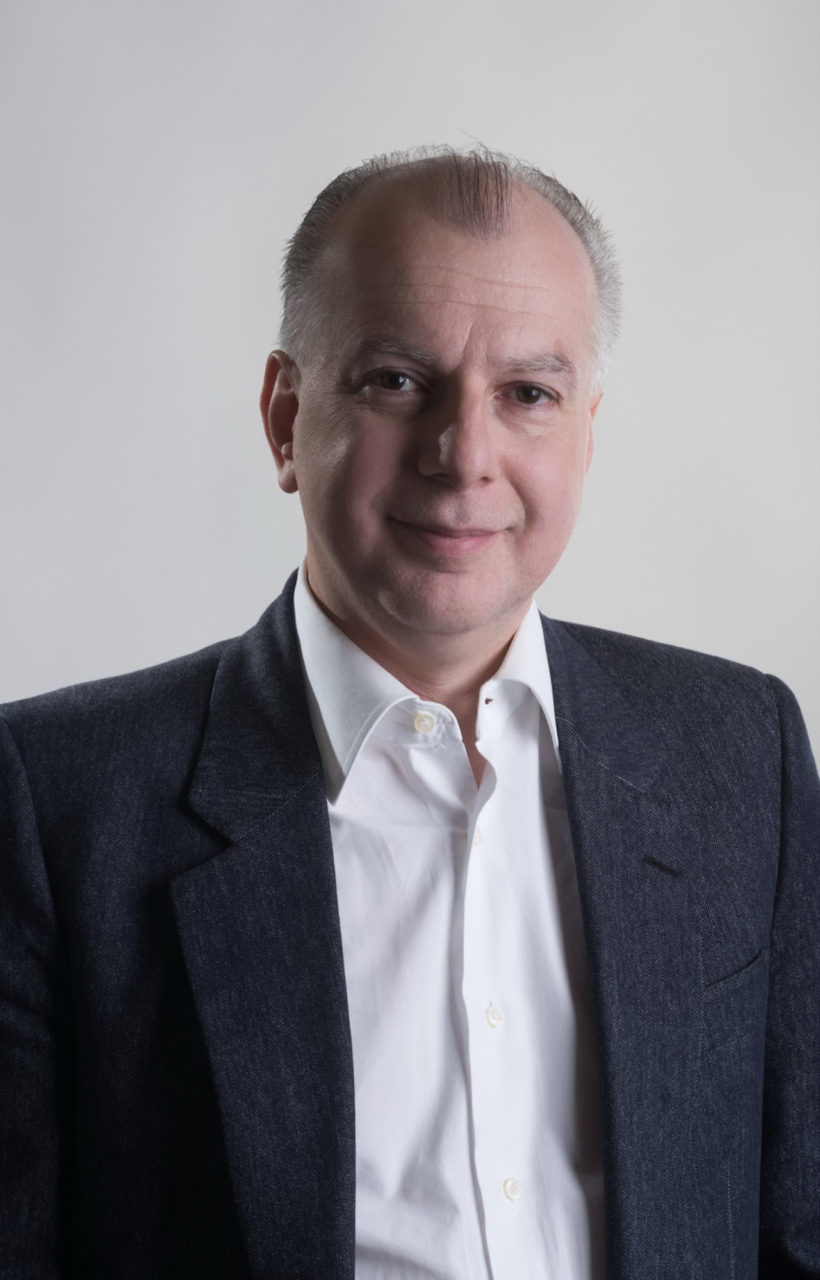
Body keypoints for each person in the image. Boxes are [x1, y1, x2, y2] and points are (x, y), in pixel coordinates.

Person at [0, 148, 817, 1280]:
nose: (463, 455)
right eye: (395, 381)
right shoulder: (57, 800)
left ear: (586, 432)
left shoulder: (742, 752)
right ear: (285, 418)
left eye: (527, 394)